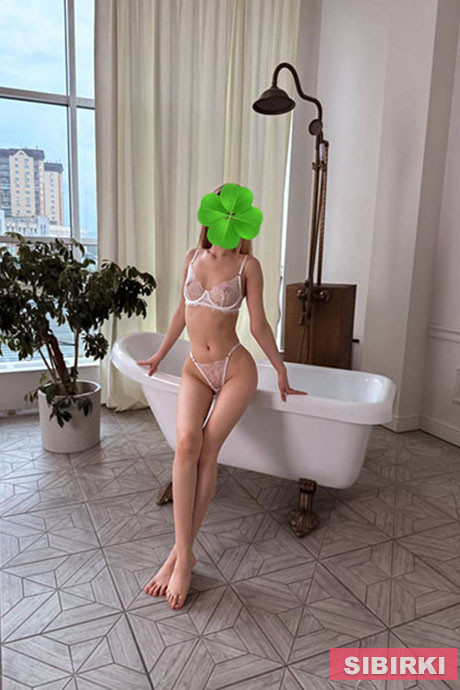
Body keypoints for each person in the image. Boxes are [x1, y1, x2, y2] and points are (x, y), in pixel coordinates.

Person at [137, 183, 307, 610]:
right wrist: (159, 354)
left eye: (233, 215)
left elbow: (259, 324)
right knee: (185, 447)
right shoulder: (191, 258)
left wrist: (280, 368)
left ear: (241, 221)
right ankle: (183, 553)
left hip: (235, 368)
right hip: (195, 366)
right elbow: (181, 312)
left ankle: (178, 560)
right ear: (210, 217)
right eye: (220, 213)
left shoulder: (249, 265)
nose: (226, 221)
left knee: (208, 452)